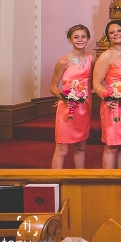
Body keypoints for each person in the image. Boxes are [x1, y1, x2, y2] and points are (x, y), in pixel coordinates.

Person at [49, 24, 93, 169]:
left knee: (81, 147)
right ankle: (56, 180)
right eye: (76, 37)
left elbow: (93, 83)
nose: (80, 40)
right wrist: (64, 98)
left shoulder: (91, 60)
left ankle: (79, 179)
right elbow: (53, 86)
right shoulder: (63, 61)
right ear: (70, 40)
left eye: (83, 36)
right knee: (62, 149)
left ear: (88, 38)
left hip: (84, 109)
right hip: (67, 109)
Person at [92, 20, 121, 169]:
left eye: (119, 30)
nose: (116, 34)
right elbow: (96, 83)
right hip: (113, 105)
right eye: (111, 32)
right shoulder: (106, 56)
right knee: (112, 146)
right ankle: (109, 180)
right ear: (108, 37)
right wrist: (106, 97)